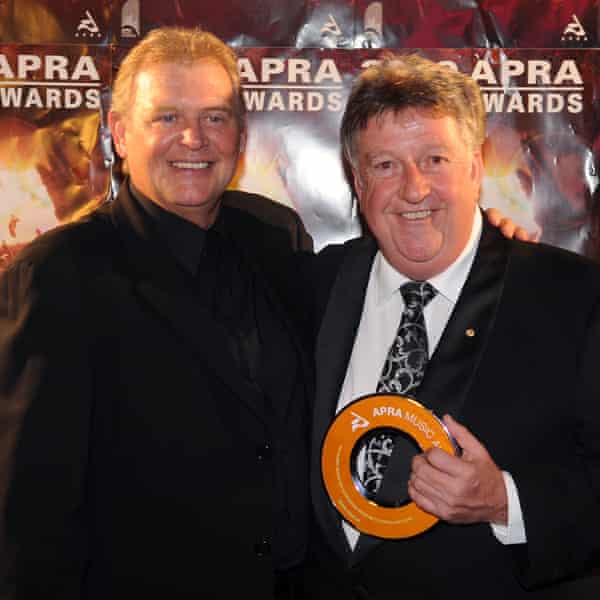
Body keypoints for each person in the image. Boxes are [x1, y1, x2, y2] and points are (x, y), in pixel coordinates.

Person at [0, 26, 314, 599]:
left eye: (215, 118)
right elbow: (29, 515)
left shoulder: (277, 237)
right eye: (166, 117)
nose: (193, 139)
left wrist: (485, 242)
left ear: (240, 136)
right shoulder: (55, 277)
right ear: (119, 133)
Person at [307, 53, 600, 598]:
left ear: (474, 166)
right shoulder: (317, 285)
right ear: (356, 179)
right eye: (385, 165)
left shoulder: (573, 300)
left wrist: (505, 501)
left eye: (435, 159)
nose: (414, 190)